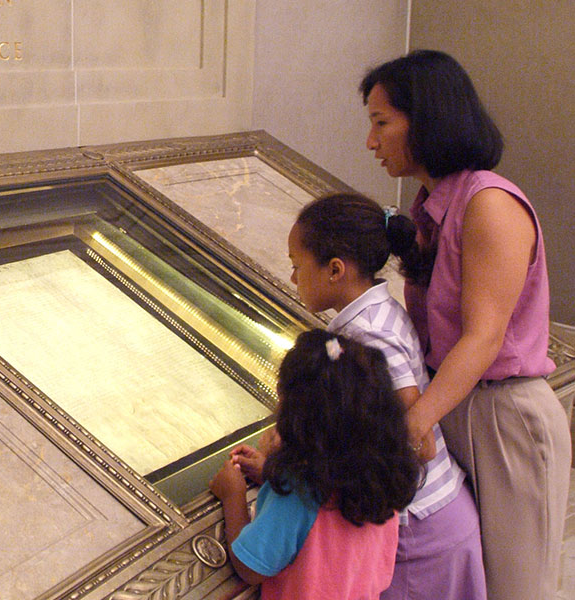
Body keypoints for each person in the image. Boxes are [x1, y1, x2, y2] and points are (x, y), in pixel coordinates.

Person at [360, 49, 571, 600]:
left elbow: (484, 336)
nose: (371, 142)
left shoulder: (489, 203)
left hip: (504, 418)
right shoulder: (431, 207)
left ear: (425, 117)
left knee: (518, 588)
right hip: (456, 407)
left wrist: (415, 421)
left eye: (382, 123)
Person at [234, 193, 486, 599]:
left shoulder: (367, 337)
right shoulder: (376, 312)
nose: (294, 279)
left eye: (298, 267)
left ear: (335, 270)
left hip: (420, 534)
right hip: (438, 517)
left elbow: (413, 443)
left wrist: (295, 459)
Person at [210, 329, 420, 599]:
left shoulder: (299, 492)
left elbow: (251, 568)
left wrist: (233, 495)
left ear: (301, 420)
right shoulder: (381, 480)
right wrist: (271, 472)